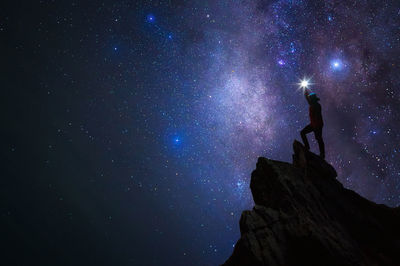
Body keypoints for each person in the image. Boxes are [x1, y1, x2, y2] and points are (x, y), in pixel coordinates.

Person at [301, 89, 325, 159]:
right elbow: (307, 99)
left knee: (319, 138)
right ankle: (307, 147)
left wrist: (316, 128)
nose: (310, 99)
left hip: (317, 125)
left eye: (311, 98)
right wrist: (305, 91)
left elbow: (318, 116)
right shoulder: (313, 104)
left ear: (313, 100)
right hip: (313, 124)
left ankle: (322, 154)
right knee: (303, 133)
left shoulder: (317, 106)